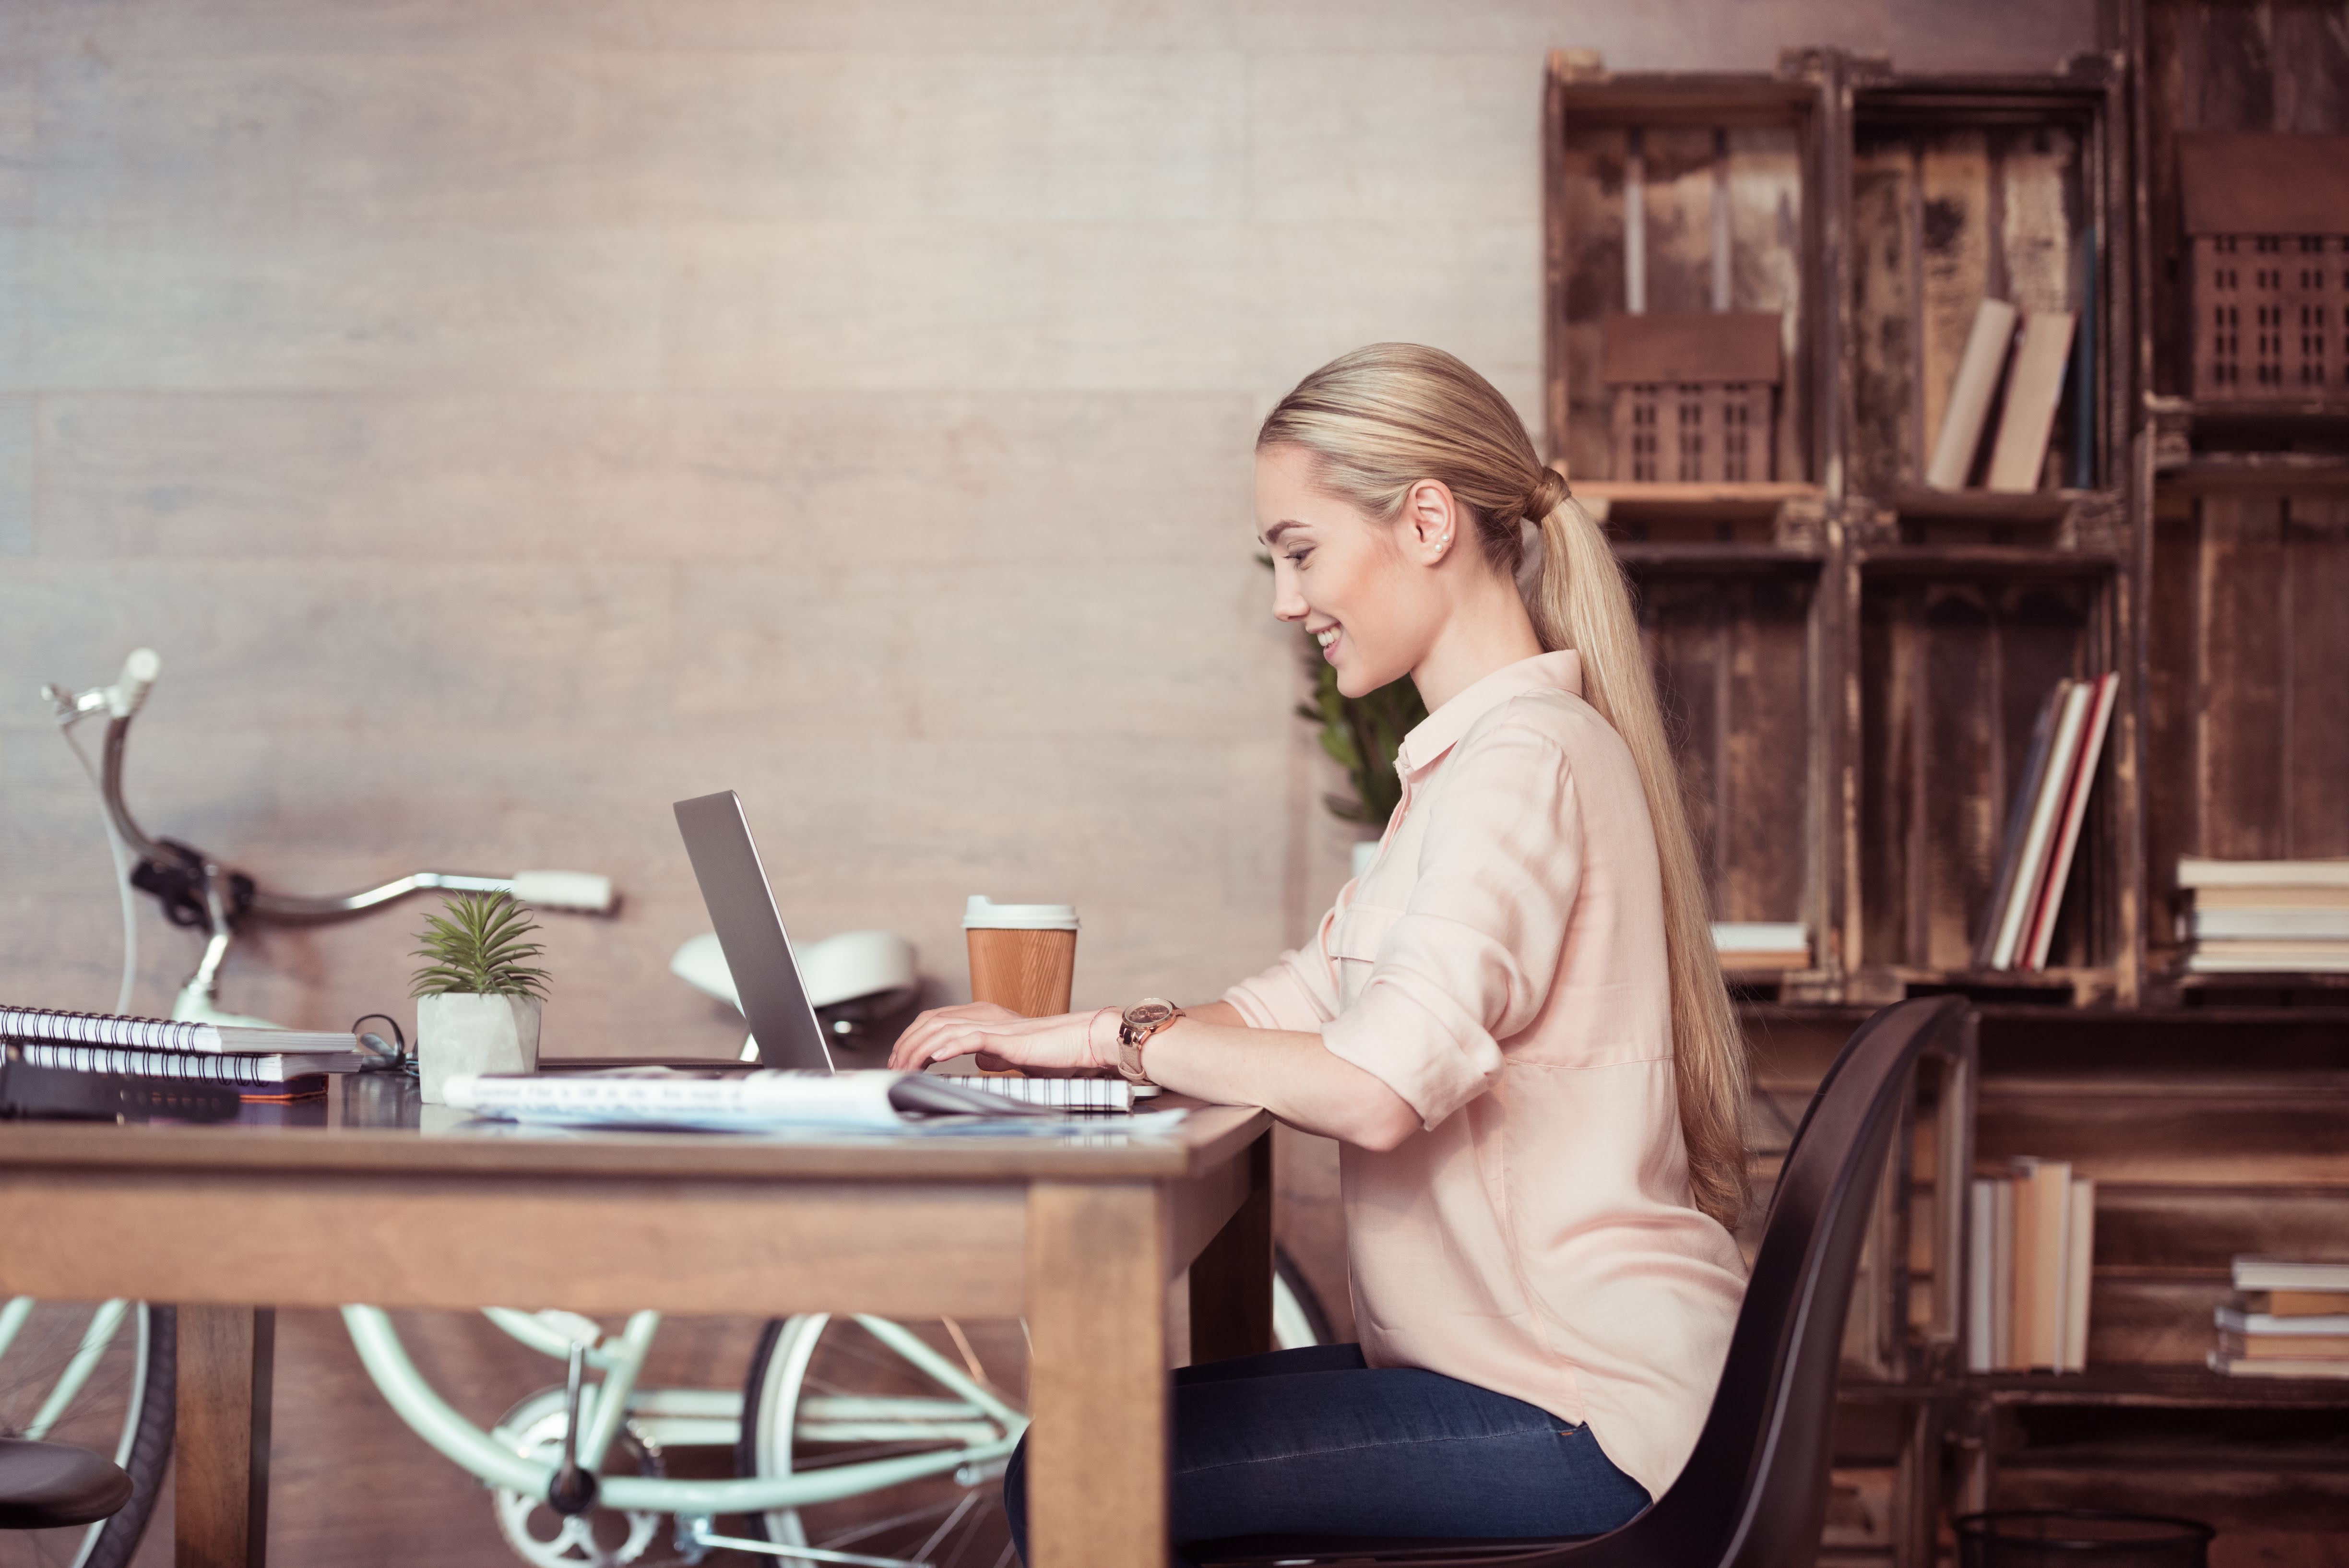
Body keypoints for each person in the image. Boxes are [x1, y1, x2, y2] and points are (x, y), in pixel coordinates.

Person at [890, 342, 1751, 1563]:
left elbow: (1376, 1085)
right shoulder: (1470, 768)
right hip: (1540, 1380)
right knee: (1089, 1439)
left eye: (1299, 552)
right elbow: (1302, 996)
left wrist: (1118, 1041)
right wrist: (1077, 1042)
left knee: (1081, 1464)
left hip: (1585, 1413)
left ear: (1429, 519)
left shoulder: (1522, 763)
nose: (1286, 601)